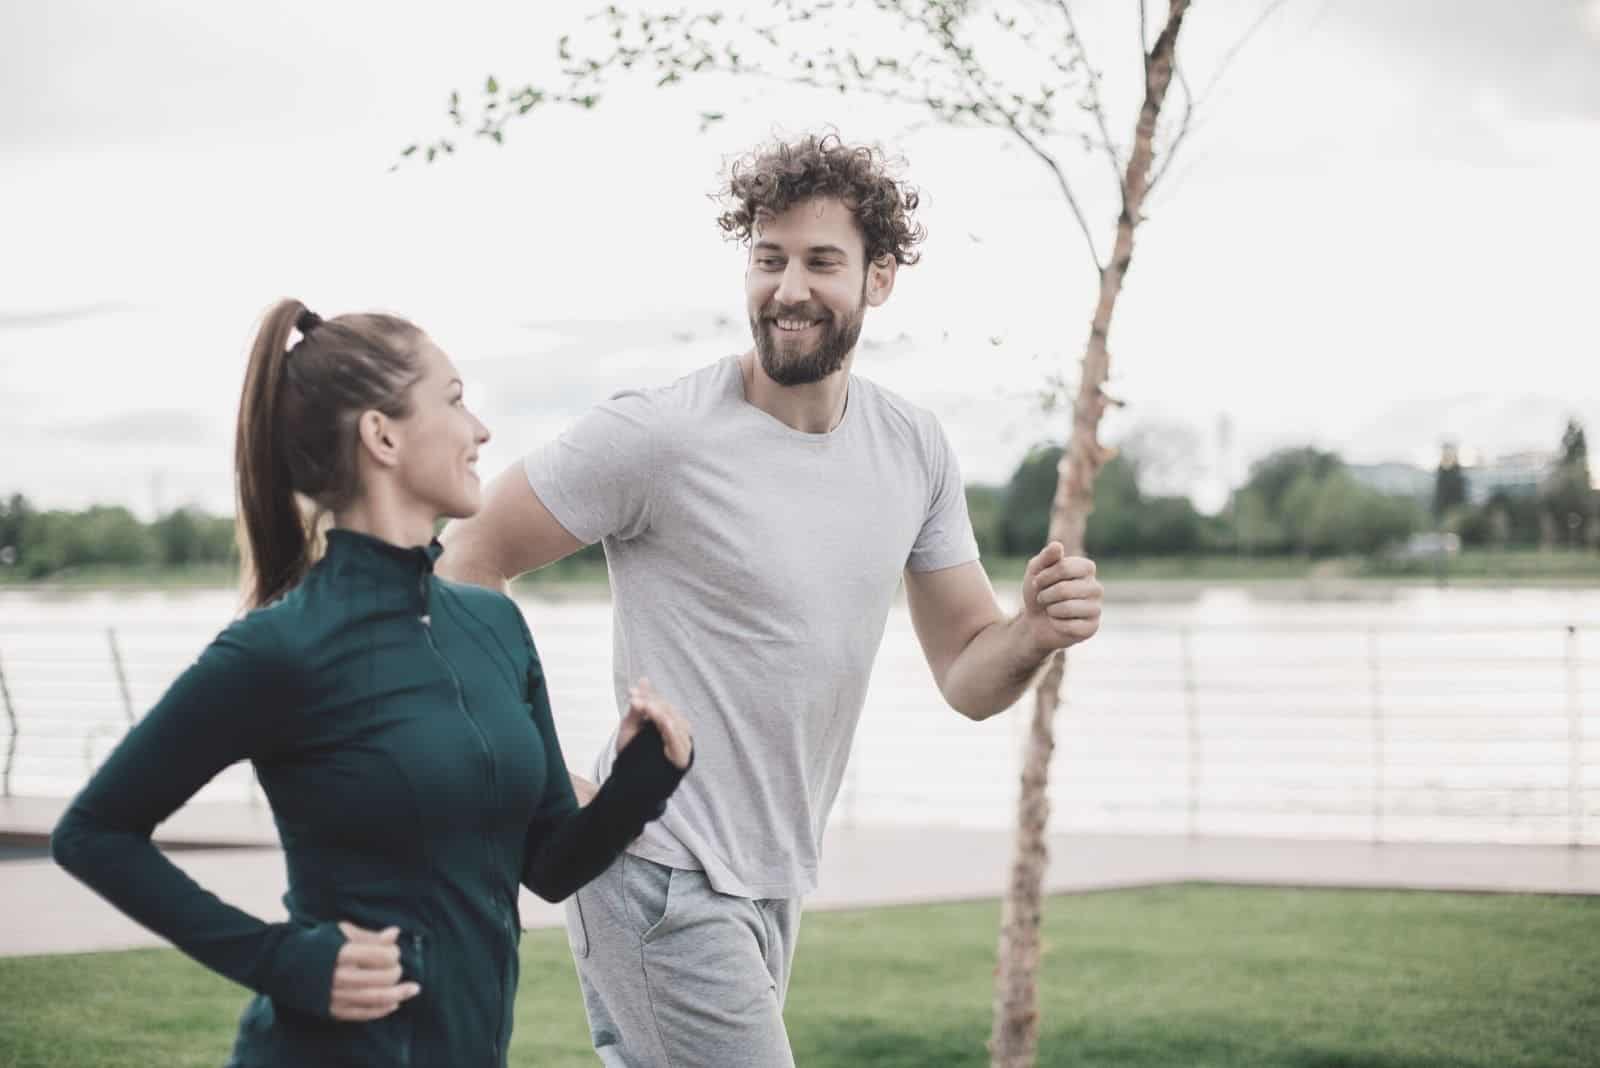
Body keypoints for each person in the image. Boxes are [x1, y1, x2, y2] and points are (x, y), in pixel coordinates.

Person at [438, 132, 1104, 1066]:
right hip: (658, 873)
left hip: (774, 878)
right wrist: (547, 781)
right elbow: (463, 559)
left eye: (822, 261)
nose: (789, 288)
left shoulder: (912, 449)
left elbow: (966, 673)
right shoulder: (657, 436)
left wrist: (1031, 631)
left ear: (879, 279)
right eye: (768, 259)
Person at [51, 299, 693, 1068]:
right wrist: (281, 960)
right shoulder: (278, 649)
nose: (481, 431)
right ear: (382, 435)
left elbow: (549, 867)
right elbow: (93, 833)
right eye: (454, 401)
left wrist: (642, 779)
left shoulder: (496, 628)